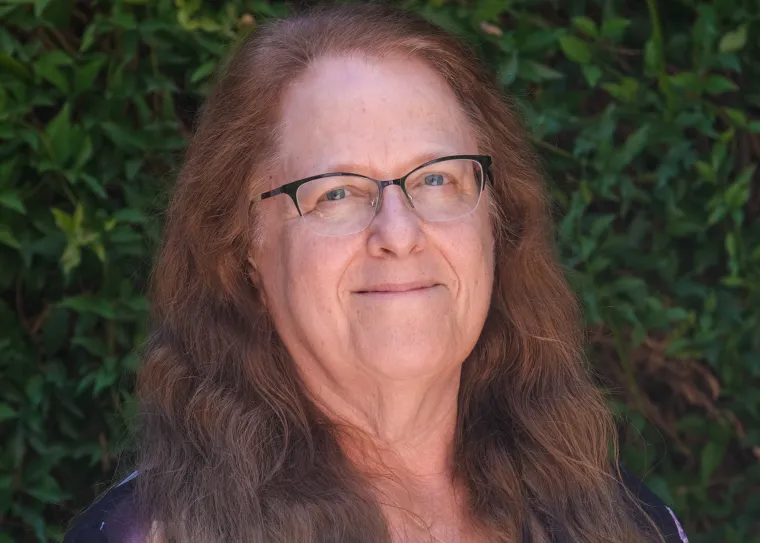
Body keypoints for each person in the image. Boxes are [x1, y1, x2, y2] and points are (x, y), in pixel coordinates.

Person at [64, 3, 690, 543]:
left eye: (438, 179)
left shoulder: (623, 521)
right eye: (336, 193)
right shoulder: (146, 535)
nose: (398, 233)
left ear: (497, 222)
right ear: (243, 250)